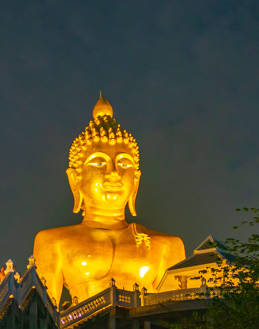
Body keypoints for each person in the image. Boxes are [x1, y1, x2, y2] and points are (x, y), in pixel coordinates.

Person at [32, 95, 185, 306]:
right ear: (75, 179)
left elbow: (176, 317)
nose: (113, 173)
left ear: (136, 179)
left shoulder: (167, 246)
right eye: (98, 163)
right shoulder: (53, 243)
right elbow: (42, 316)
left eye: (124, 163)